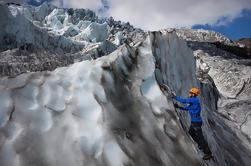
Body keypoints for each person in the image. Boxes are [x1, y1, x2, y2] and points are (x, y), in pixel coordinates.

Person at [171, 88, 214, 160]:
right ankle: (200, 144)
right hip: (194, 121)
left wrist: (174, 97)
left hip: (196, 122)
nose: (189, 94)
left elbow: (183, 101)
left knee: (201, 138)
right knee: (191, 132)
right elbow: (187, 108)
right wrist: (178, 107)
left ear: (193, 94)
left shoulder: (194, 100)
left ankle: (209, 154)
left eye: (190, 93)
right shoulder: (192, 103)